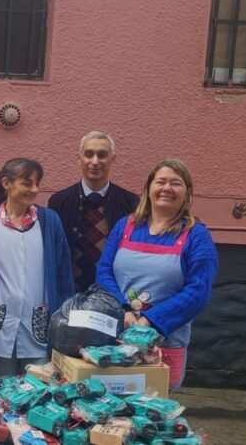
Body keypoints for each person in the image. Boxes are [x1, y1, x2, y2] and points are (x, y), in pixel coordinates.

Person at [96, 159, 218, 390]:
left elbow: (198, 290)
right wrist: (124, 309)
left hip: (166, 341)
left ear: (187, 193)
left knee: (153, 411)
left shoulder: (196, 236)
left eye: (176, 183)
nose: (167, 188)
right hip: (116, 335)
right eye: (160, 181)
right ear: (148, 189)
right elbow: (104, 272)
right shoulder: (125, 227)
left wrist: (151, 321)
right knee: (109, 408)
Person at [0, 159, 75, 378]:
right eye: (27, 183)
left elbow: (63, 272)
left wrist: (65, 317)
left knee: (39, 393)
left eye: (37, 183)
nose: (35, 189)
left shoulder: (50, 221)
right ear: (6, 183)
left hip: (39, 326)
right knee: (1, 394)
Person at [48, 131, 139, 293]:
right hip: (69, 293)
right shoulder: (59, 202)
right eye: (89, 154)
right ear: (79, 158)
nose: (95, 161)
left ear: (113, 159)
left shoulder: (131, 203)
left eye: (102, 155)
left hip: (114, 293)